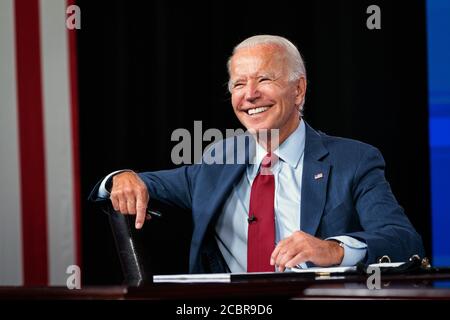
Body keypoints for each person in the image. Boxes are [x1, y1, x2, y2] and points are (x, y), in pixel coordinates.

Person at [89, 35, 425, 273]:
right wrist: (121, 178)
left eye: (264, 79)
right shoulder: (216, 161)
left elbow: (404, 241)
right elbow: (139, 184)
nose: (250, 95)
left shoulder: (354, 161)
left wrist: (335, 250)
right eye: (238, 84)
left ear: (299, 89)